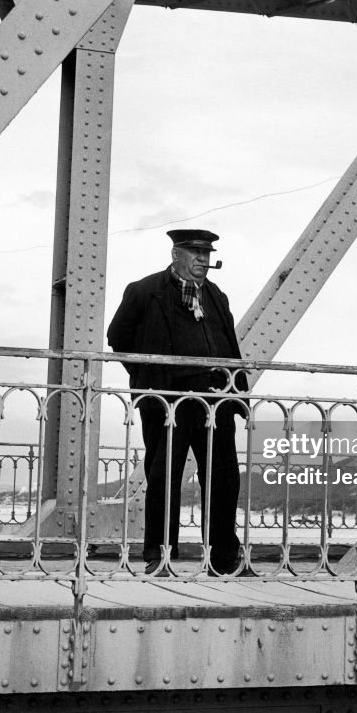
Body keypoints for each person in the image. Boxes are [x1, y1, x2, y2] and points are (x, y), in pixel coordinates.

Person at [106, 229, 248, 576]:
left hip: (215, 400)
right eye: (195, 252)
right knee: (164, 476)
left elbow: (229, 343)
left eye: (206, 252)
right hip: (167, 402)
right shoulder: (145, 291)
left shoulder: (216, 296)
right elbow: (118, 337)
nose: (203, 259)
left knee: (224, 478)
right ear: (176, 254)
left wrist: (237, 395)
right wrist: (148, 378)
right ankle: (161, 556)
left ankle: (224, 558)